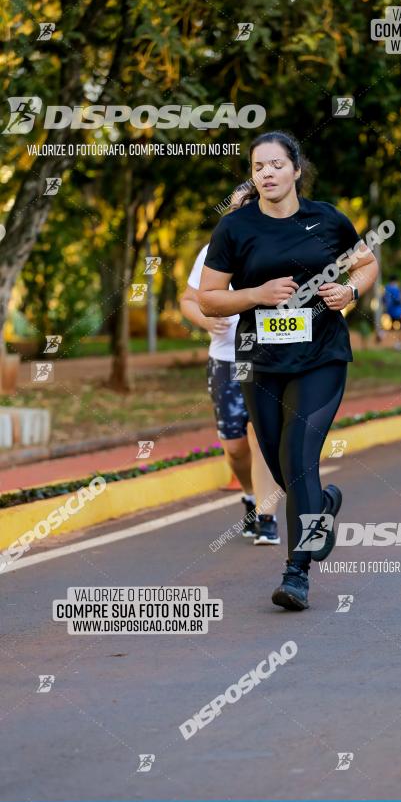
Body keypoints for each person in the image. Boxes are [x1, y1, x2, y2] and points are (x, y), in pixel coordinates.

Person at [199, 130, 378, 610]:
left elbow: (365, 264)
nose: (267, 174)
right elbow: (209, 298)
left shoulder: (327, 219)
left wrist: (352, 292)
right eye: (259, 167)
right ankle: (321, 507)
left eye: (277, 165)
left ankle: (296, 572)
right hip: (260, 360)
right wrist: (256, 295)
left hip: (321, 356)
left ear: (296, 170)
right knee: (281, 465)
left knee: (299, 458)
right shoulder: (235, 229)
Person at [179, 186, 281, 545]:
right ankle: (252, 496)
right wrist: (206, 321)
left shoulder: (280, 246)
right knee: (235, 446)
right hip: (226, 360)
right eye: (239, 206)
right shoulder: (214, 251)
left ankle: (267, 517)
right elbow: (190, 300)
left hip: (267, 358)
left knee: (261, 437)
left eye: (250, 204)